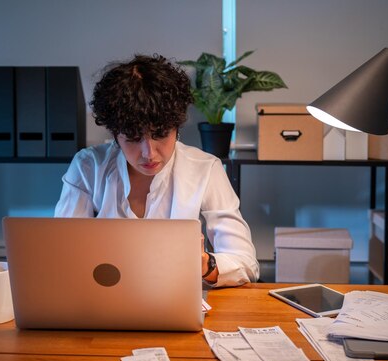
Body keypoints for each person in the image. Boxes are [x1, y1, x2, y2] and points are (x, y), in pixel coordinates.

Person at [54, 54, 259, 287]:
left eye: (160, 134)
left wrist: (205, 264)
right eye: (132, 138)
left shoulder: (205, 169)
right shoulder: (88, 167)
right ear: (114, 135)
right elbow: (63, 253)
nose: (148, 153)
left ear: (176, 127)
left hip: (176, 303)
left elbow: (246, 263)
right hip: (100, 303)